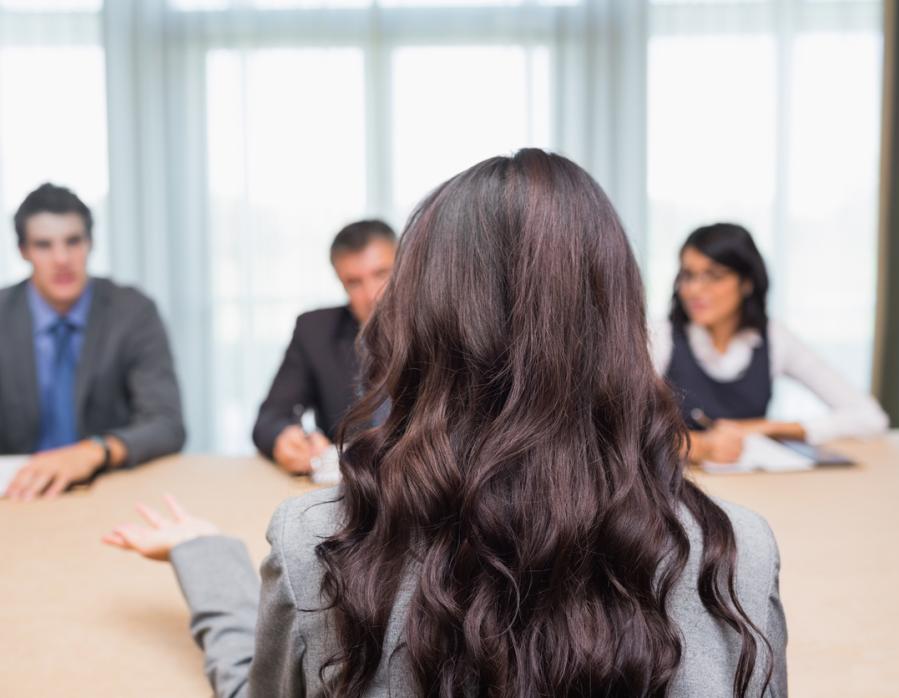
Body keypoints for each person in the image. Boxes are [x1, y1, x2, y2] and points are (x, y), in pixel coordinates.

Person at [105, 150, 787, 697]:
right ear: (618, 321)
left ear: (417, 321)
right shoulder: (739, 555)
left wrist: (208, 560)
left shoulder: (320, 546)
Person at [0, 183, 185, 501]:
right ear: (23, 251)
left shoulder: (133, 311)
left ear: (90, 243)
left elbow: (166, 424)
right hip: (17, 496)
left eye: (73, 241)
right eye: (44, 245)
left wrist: (93, 451)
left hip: (109, 492)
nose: (62, 258)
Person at [653, 222, 888, 464]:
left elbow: (869, 418)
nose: (694, 289)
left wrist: (767, 427)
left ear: (747, 283)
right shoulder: (660, 337)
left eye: (714, 276)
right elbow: (623, 435)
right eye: (688, 275)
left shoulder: (774, 338)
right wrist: (701, 446)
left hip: (754, 486)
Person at [251, 219, 396, 474]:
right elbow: (270, 418)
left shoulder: (442, 324)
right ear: (340, 282)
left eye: (381, 274)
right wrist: (285, 440)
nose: (372, 294)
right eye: (354, 282)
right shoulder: (315, 331)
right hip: (347, 488)